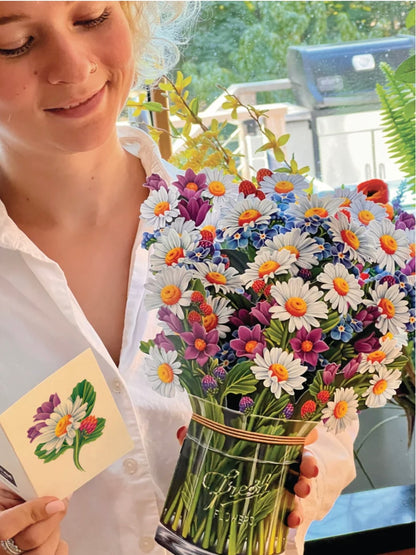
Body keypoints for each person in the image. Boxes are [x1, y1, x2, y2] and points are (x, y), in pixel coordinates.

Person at [0, 2, 357, 554]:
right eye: (15, 43)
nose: (72, 67)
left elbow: (334, 428)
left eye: (92, 16)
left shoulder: (255, 235)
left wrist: (305, 472)